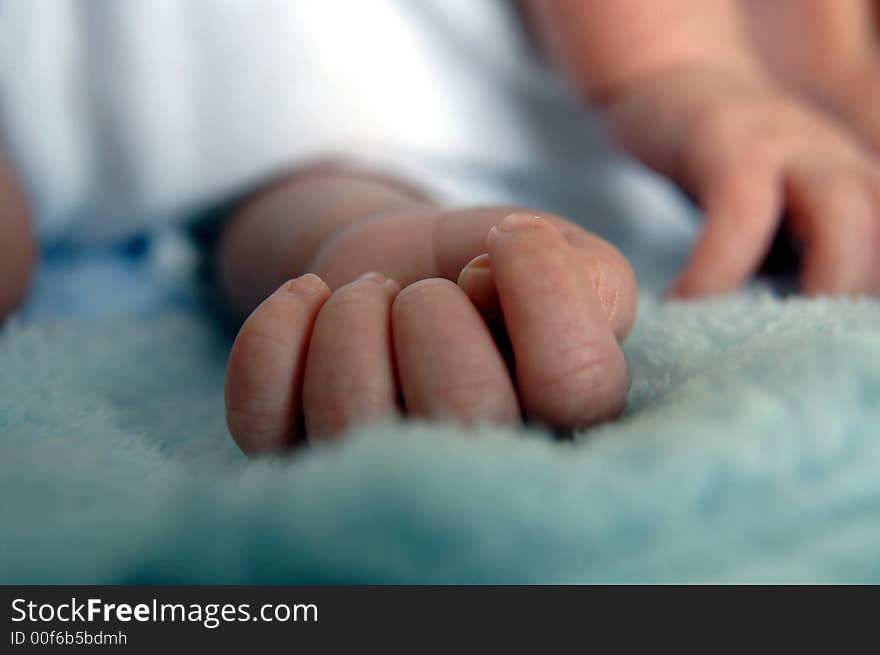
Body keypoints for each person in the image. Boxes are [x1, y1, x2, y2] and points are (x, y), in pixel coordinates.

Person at [1, 1, 878, 454]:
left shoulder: (656, 199)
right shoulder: (715, 89)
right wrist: (685, 69)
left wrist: (365, 254)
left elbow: (271, 174)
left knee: (351, 233)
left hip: (228, 150)